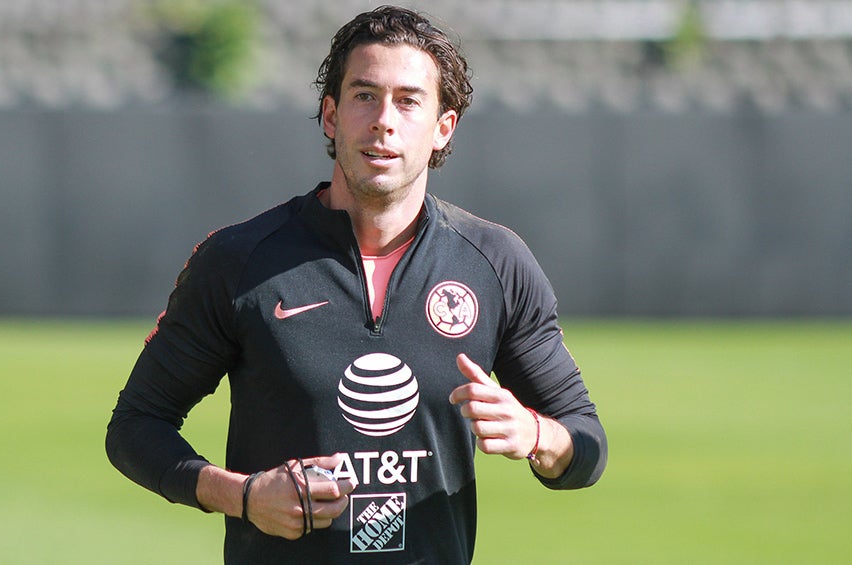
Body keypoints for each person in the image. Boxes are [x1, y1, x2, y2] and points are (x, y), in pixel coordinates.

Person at [106, 5, 607, 563]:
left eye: (409, 100)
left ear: (444, 128)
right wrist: (243, 496)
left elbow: (586, 445)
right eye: (364, 95)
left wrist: (538, 435)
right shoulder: (240, 260)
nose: (383, 120)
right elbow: (135, 428)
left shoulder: (495, 263)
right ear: (330, 115)